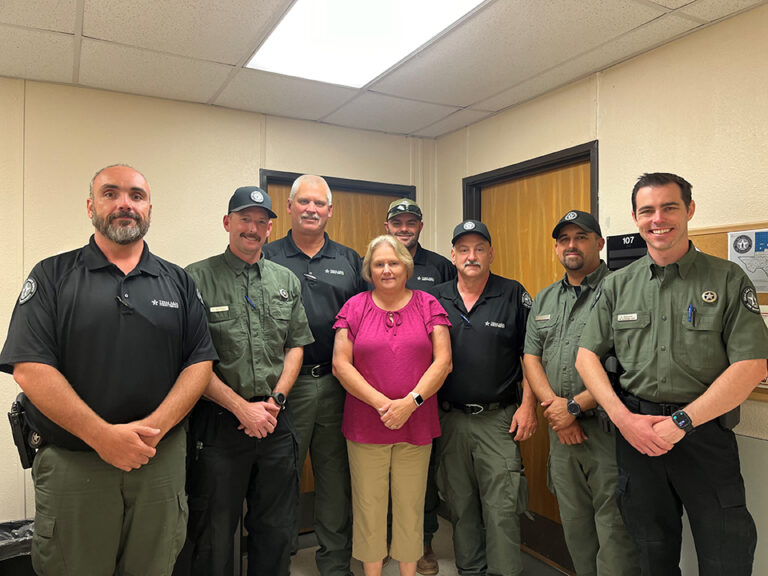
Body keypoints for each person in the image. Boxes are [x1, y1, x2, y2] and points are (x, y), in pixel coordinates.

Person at [0, 164, 217, 576]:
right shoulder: (52, 276)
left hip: (159, 459)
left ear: (149, 208)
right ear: (90, 206)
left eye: (136, 196)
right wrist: (102, 436)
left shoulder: (178, 282)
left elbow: (199, 362)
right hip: (75, 461)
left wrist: (151, 430)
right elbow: (29, 367)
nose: (125, 204)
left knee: (154, 566)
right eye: (111, 193)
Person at [576, 173, 768, 576]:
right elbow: (585, 358)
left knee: (726, 553)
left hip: (704, 436)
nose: (657, 218)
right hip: (637, 437)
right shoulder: (618, 286)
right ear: (635, 217)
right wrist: (624, 419)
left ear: (689, 210)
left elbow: (752, 365)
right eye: (647, 210)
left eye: (669, 207)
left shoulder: (727, 278)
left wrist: (682, 421)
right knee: (650, 553)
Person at [182, 186, 314, 576]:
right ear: (228, 223)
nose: (253, 228)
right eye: (245, 219)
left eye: (261, 221)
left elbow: (295, 346)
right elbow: (192, 359)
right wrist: (241, 407)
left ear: (271, 228)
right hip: (220, 424)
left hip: (275, 419)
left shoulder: (285, 280)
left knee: (274, 527)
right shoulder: (196, 278)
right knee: (215, 531)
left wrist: (275, 400)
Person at [523, 210, 639, 575]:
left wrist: (573, 406)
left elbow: (631, 365)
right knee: (575, 527)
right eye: (564, 239)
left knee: (615, 532)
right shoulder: (544, 299)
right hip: (562, 435)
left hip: (606, 432)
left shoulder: (623, 289)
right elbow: (531, 357)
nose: (571, 245)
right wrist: (557, 413)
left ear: (600, 243)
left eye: (581, 237)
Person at [263, 174, 366, 576]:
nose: (310, 209)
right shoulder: (268, 256)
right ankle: (278, 557)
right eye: (303, 202)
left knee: (334, 477)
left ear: (329, 211)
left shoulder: (348, 260)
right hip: (287, 386)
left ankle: (335, 562)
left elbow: (364, 318)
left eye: (318, 203)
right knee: (280, 474)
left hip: (339, 384)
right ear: (288, 207)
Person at [332, 234, 452, 576]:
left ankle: (407, 572)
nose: (387, 269)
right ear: (369, 269)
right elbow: (342, 364)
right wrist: (385, 404)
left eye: (394, 262)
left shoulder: (429, 304)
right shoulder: (354, 307)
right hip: (365, 424)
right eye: (379, 264)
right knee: (368, 506)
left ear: (406, 267)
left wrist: (410, 403)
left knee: (411, 506)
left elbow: (443, 362)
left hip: (417, 423)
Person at [431, 220, 537, 576]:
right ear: (453, 255)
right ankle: (470, 570)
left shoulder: (513, 293)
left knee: (502, 508)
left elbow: (531, 356)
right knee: (460, 506)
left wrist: (528, 406)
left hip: (498, 419)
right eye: (463, 249)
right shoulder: (436, 297)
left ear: (491, 253)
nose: (471, 256)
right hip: (450, 418)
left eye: (479, 249)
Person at [384, 197, 457, 575]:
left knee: (422, 473)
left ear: (420, 227)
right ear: (387, 227)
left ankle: (424, 541)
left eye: (411, 222)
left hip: (426, 387)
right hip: (380, 386)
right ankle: (382, 540)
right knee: (378, 471)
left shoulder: (440, 267)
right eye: (398, 223)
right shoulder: (377, 260)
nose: (404, 228)